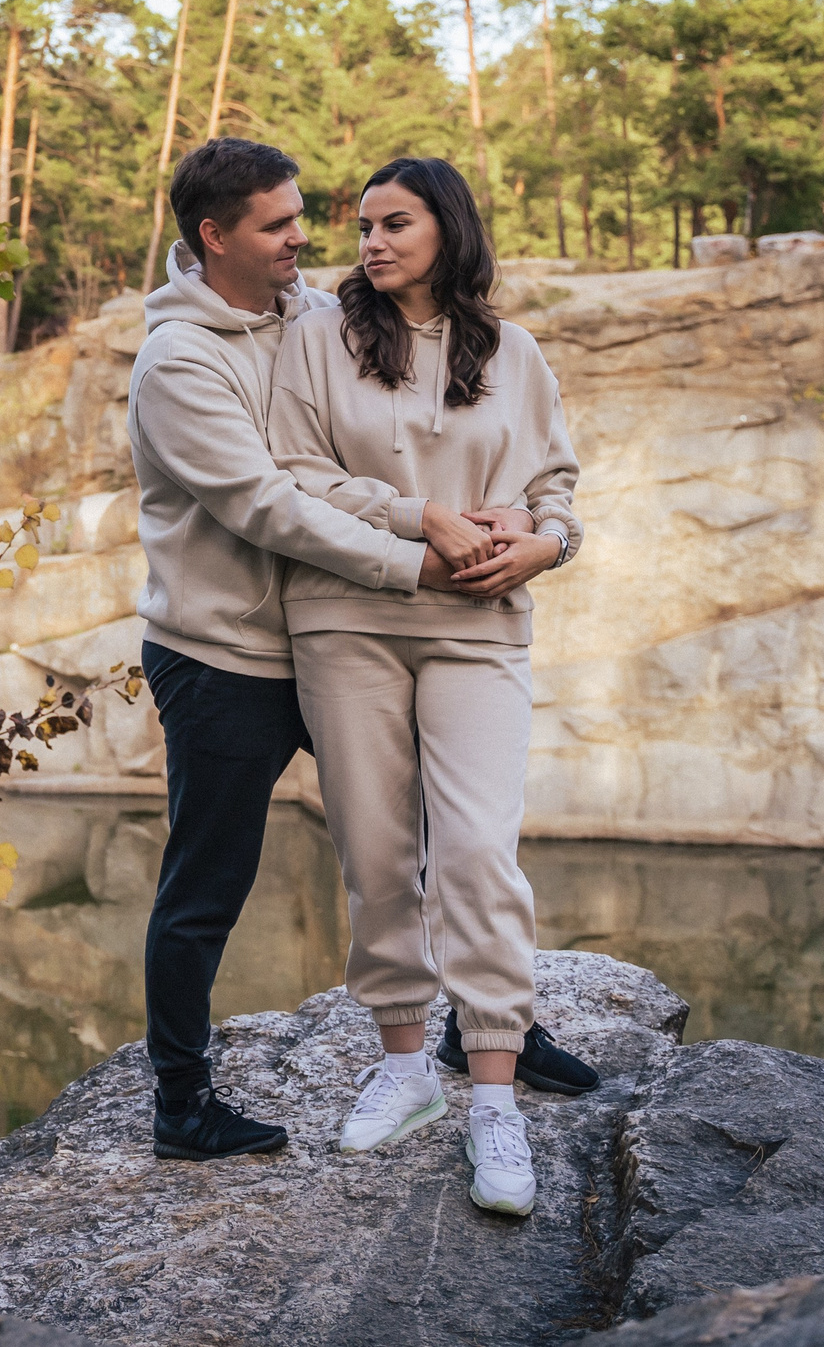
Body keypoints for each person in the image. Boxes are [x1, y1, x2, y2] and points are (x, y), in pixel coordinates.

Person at [127, 137, 472, 1161]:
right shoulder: (178, 361)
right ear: (214, 235)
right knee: (207, 883)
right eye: (277, 224)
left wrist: (445, 512)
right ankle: (180, 1103)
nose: (300, 239)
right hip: (223, 655)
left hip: (334, 634)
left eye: (298, 217)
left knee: (437, 830)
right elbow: (266, 504)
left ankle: (495, 1027)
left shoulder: (312, 318)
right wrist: (414, 558)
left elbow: (351, 447)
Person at [267, 155, 591, 1216]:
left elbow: (556, 485)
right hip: (346, 618)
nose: (368, 241)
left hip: (481, 625)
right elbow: (297, 475)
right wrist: (421, 515)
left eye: (393, 222)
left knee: (476, 850)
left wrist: (545, 545)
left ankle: (491, 1091)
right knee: (372, 849)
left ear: (446, 227)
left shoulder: (514, 351)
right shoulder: (315, 338)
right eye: (361, 224)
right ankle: (404, 1062)